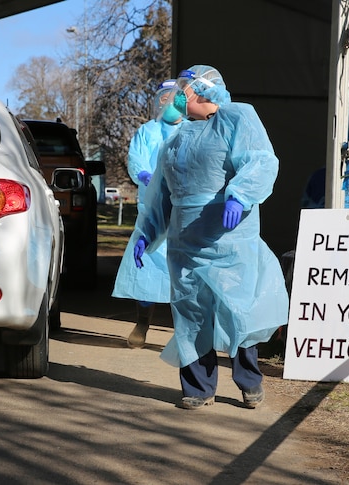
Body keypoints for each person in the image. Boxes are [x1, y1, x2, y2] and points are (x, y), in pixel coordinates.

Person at [132, 65, 289, 410]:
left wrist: (240, 194)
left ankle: (249, 381)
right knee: (191, 314)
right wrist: (147, 233)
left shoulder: (237, 117)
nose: (175, 98)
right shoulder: (175, 138)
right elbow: (161, 194)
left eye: (182, 90)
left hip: (229, 237)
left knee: (238, 309)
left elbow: (260, 160)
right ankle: (198, 388)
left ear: (202, 91)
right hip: (184, 242)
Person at [112, 79, 185, 348]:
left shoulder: (194, 130)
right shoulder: (148, 131)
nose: (169, 104)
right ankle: (143, 322)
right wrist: (143, 174)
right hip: (152, 208)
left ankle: (184, 332)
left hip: (184, 209)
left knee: (185, 273)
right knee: (146, 267)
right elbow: (136, 159)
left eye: (175, 98)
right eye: (164, 99)